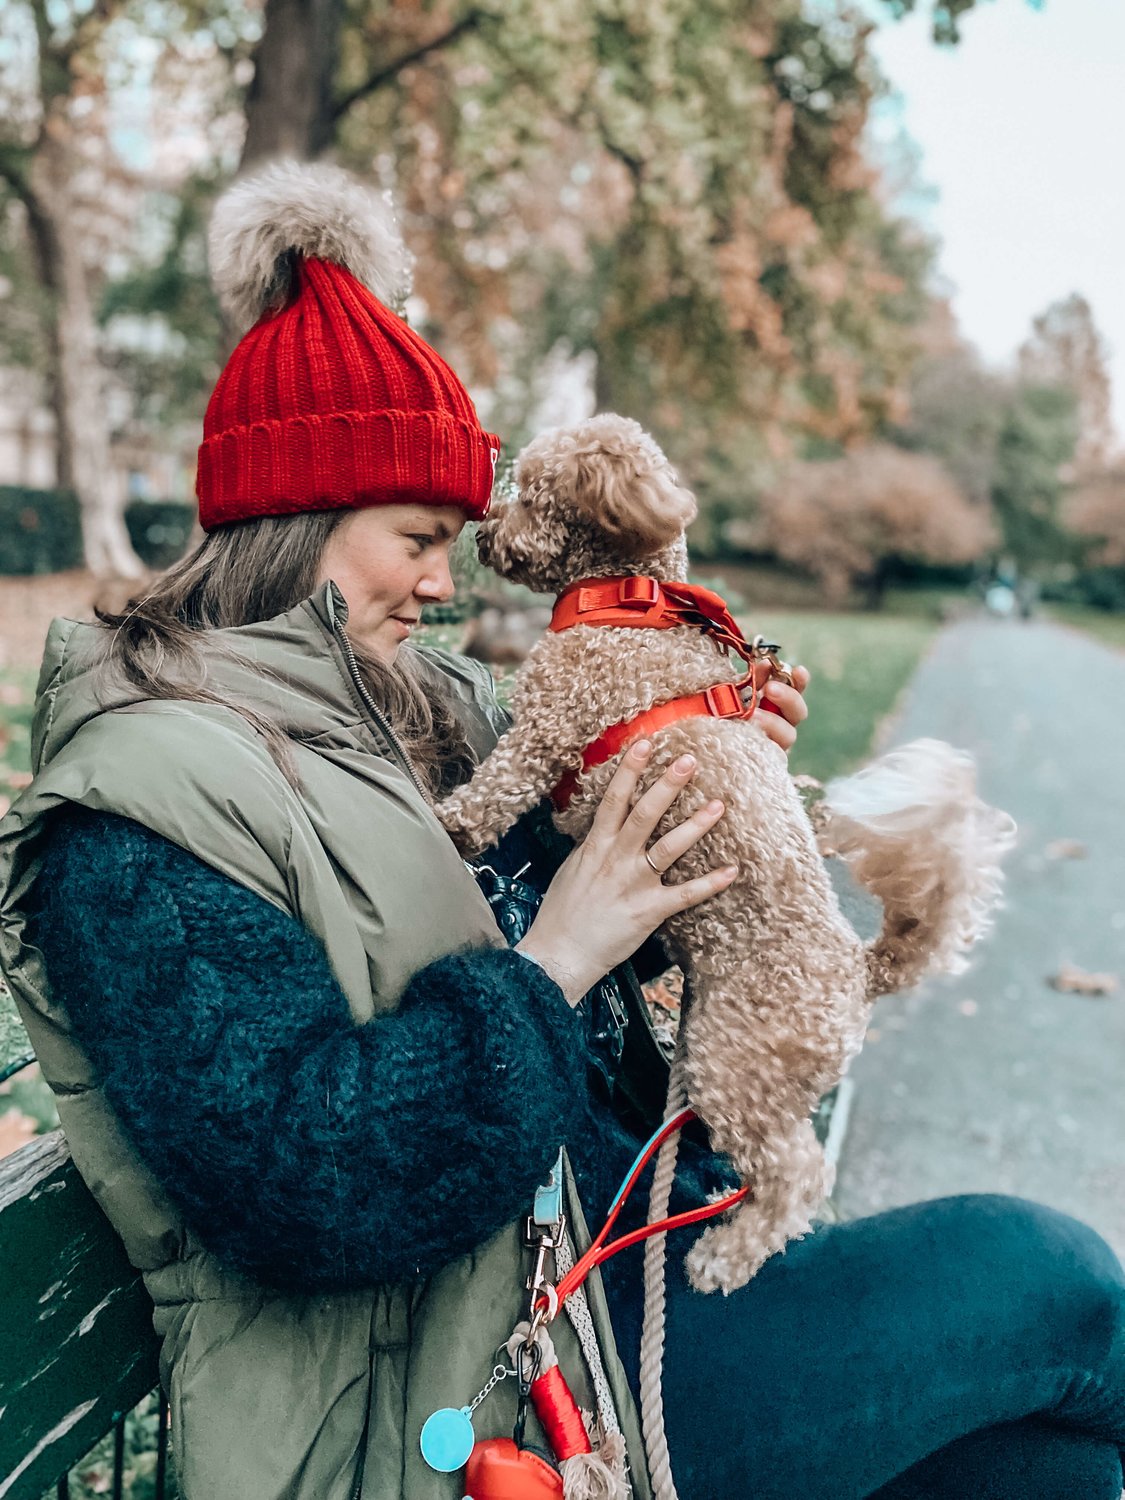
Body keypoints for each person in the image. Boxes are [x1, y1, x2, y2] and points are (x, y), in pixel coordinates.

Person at [1, 161, 1123, 1500]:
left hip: (607, 1262)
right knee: (1055, 1283)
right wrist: (554, 968)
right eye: (416, 536)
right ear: (289, 518)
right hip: (480, 1395)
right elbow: (306, 1181)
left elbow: (507, 897)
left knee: (1034, 1468)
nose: (440, 581)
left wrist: (685, 794)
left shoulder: (402, 711)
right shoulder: (140, 818)